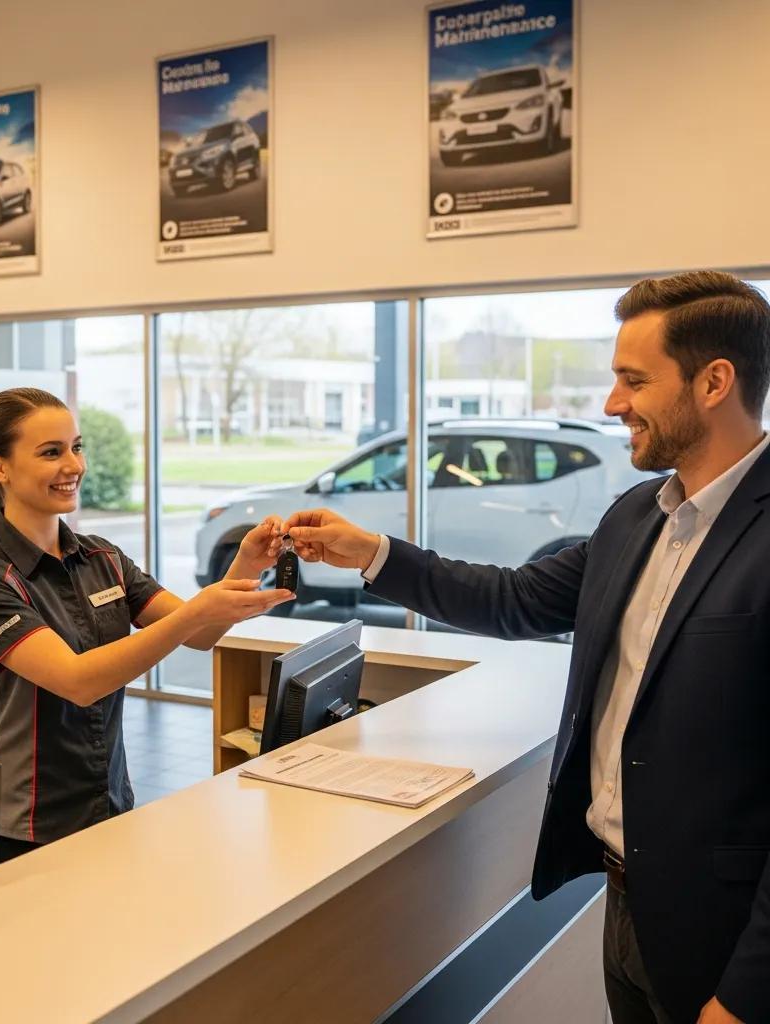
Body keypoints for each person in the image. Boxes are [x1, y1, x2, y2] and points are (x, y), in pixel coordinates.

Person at [284, 272, 770, 1024]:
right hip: (626, 904)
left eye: (634, 380)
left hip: (730, 936)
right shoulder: (637, 516)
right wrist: (372, 552)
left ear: (714, 382)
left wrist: (747, 993)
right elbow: (513, 598)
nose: (613, 405)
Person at [0, 387, 292, 861]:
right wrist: (197, 609)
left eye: (76, 447)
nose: (74, 465)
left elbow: (200, 635)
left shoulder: (103, 558)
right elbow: (78, 681)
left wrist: (246, 564)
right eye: (51, 452)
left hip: (109, 805)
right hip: (23, 825)